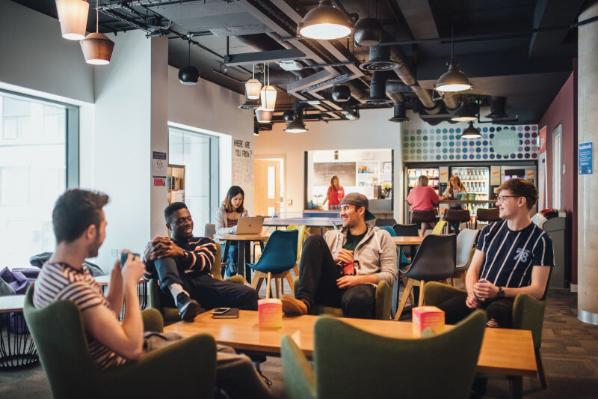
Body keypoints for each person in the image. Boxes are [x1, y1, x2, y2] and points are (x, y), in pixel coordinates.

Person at [33, 189, 271, 399]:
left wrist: (117, 280)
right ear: (90, 231)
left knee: (225, 352)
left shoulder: (55, 274)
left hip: (117, 358)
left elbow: (102, 318)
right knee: (237, 363)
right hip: (124, 372)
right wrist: (129, 286)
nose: (106, 233)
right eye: (105, 226)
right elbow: (131, 348)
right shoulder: (76, 287)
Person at [436, 178, 553, 328]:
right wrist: (472, 293)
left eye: (503, 198)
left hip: (509, 300)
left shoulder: (541, 240)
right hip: (479, 297)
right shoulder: (489, 231)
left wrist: (498, 292)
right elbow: (473, 270)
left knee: (494, 316)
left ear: (521, 201)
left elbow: (538, 290)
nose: (497, 203)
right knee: (437, 315)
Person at [281, 192, 397, 319]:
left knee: (359, 298)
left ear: (361, 210)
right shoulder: (331, 235)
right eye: (341, 209)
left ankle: (356, 337)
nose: (342, 213)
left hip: (360, 286)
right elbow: (315, 265)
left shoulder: (382, 236)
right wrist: (334, 258)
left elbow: (390, 275)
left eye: (346, 208)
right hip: (333, 285)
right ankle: (303, 302)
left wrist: (358, 280)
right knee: (313, 240)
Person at [144, 202, 258, 322]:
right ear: (169, 226)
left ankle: (242, 336)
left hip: (204, 285)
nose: (187, 223)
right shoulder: (163, 245)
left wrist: (180, 253)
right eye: (180, 221)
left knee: (250, 294)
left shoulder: (204, 241)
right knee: (163, 248)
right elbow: (148, 276)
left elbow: (204, 263)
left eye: (189, 218)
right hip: (174, 288)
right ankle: (181, 297)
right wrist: (146, 259)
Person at [215, 186, 248, 277]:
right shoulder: (221, 211)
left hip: (238, 242)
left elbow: (246, 228)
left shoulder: (244, 212)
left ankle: (232, 277)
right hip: (223, 243)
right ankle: (233, 276)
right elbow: (218, 230)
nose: (238, 202)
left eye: (240, 199)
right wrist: (233, 229)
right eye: (235, 199)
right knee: (233, 251)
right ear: (229, 198)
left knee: (236, 249)